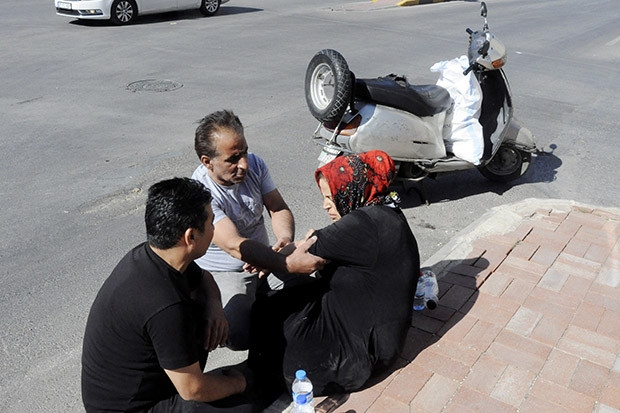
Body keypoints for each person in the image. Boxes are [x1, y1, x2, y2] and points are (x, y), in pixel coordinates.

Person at [248, 150, 421, 401]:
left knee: (270, 310)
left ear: (352, 189)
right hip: (381, 339)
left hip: (358, 355)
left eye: (330, 197)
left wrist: (272, 257)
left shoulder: (363, 224)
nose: (325, 205)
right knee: (293, 292)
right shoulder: (385, 210)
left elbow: (305, 250)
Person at [81, 177, 261, 412]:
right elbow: (193, 389)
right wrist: (239, 383)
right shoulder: (165, 304)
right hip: (134, 408)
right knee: (247, 401)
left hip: (138, 392)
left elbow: (204, 277)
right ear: (190, 236)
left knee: (245, 378)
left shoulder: (154, 256)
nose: (214, 229)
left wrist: (215, 307)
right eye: (210, 224)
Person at [191, 109, 324, 350]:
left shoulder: (255, 164)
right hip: (229, 271)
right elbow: (234, 245)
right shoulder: (201, 193)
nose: (243, 164)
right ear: (207, 162)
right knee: (237, 333)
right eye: (233, 159)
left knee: (314, 291)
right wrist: (283, 263)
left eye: (244, 152)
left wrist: (284, 239)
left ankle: (267, 307)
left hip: (264, 257)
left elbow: (278, 207)